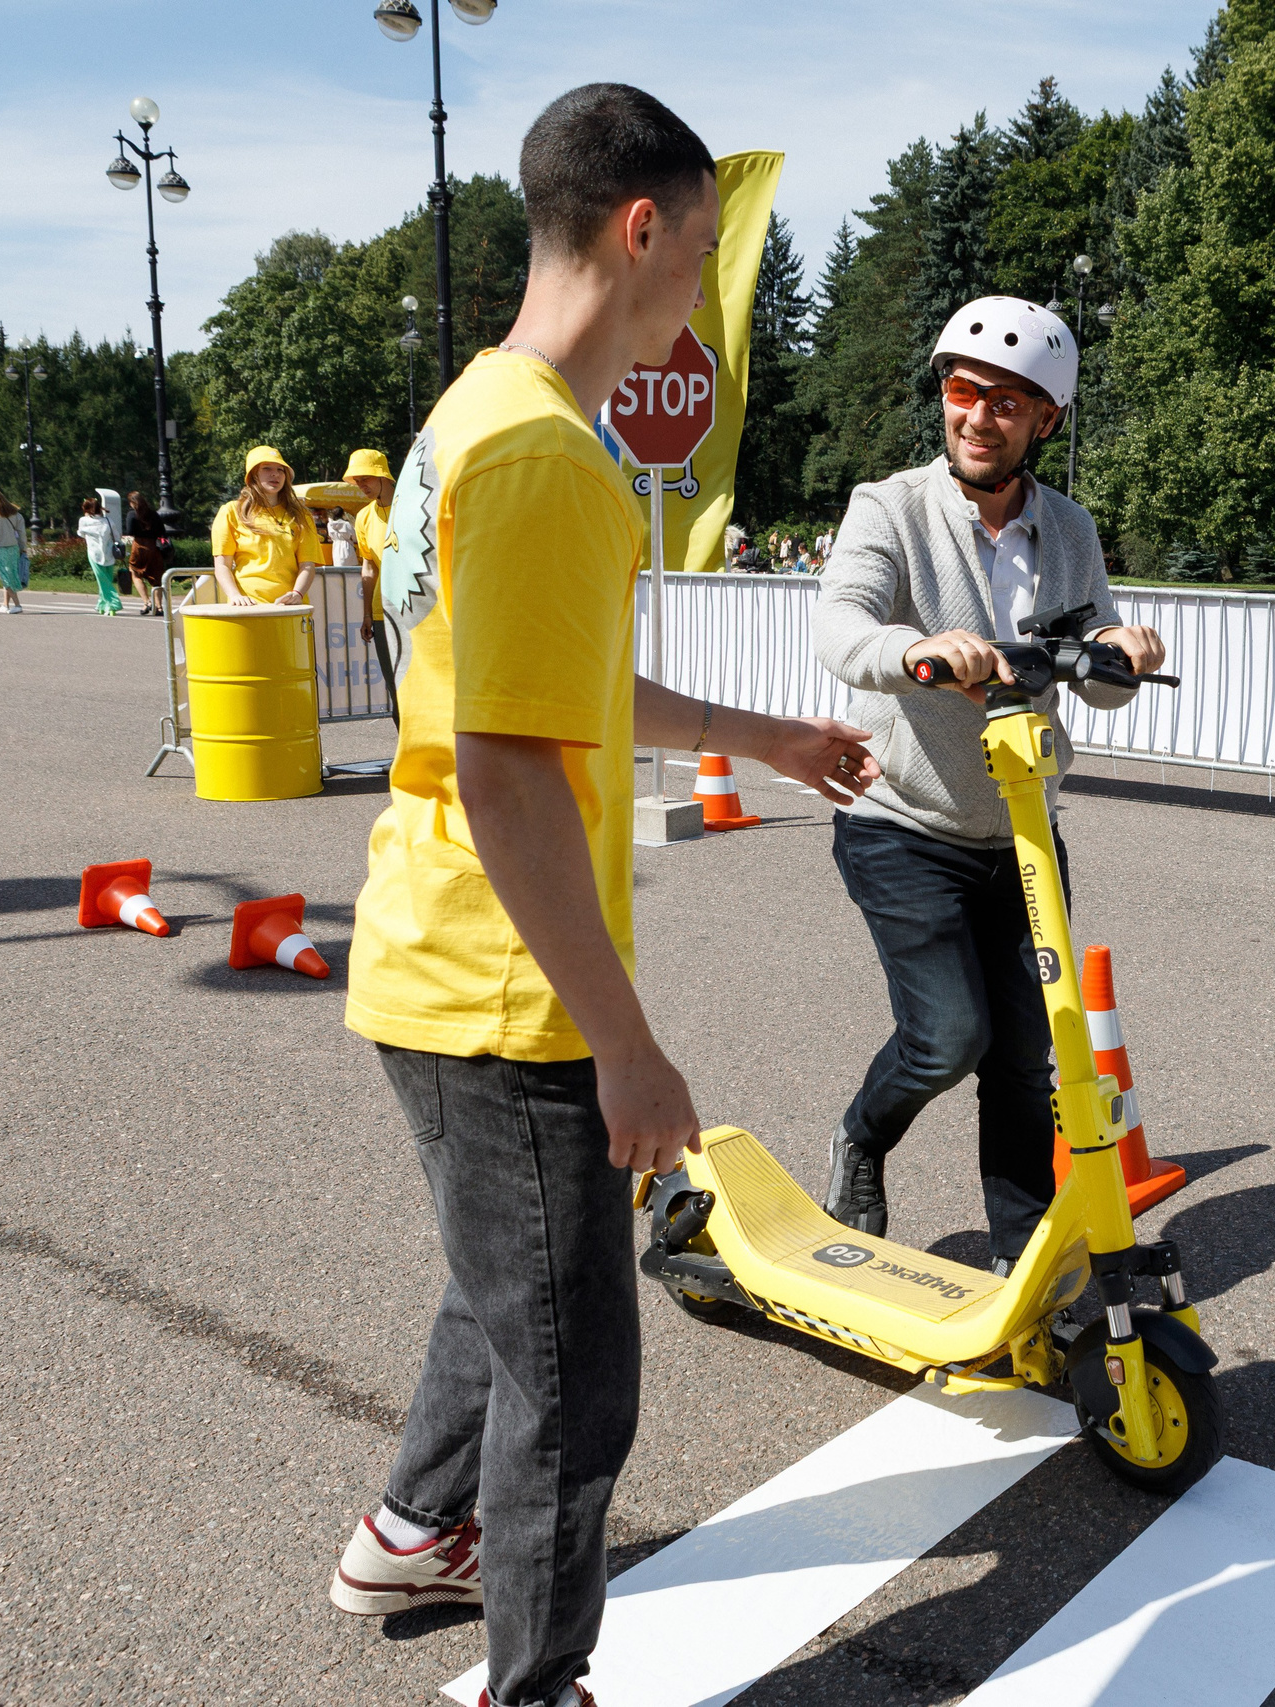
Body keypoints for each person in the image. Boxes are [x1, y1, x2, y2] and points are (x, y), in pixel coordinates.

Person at [327, 84, 879, 1707]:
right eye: (702, 255)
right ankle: (538, 1682)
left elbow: (562, 682)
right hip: (509, 986)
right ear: (642, 230)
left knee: (507, 1280)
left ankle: (411, 1527)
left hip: (429, 956)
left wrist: (755, 733)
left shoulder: (466, 421)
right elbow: (508, 769)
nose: (703, 297)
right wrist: (629, 1045)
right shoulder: (551, 459)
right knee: (575, 1378)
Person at [811, 295, 1167, 1270]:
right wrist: (917, 648)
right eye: (963, 391)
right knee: (948, 1035)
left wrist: (1121, 652)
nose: (976, 415)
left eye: (1007, 402)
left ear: (1046, 420)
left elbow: (1096, 682)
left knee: (1025, 1055)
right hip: (903, 821)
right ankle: (861, 1138)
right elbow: (840, 624)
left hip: (1017, 832)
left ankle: (1021, 1253)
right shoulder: (890, 507)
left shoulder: (1069, 531)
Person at [211, 448, 325, 606]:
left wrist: (297, 593)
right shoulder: (230, 511)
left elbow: (307, 565)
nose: (275, 474)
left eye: (280, 470)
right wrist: (235, 596)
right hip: (248, 607)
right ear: (253, 475)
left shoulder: (302, 516)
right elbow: (222, 565)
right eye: (267, 468)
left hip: (290, 608)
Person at [124, 491, 168, 615]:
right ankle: (159, 607)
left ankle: (146, 602)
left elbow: (130, 530)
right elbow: (162, 531)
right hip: (153, 547)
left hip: (138, 546)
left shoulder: (132, 515)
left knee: (135, 572)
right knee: (156, 577)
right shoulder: (154, 514)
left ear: (133, 503)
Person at [79, 494, 122, 614]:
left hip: (94, 554)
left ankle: (113, 604)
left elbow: (81, 533)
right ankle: (102, 604)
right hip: (109, 554)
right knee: (106, 579)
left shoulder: (83, 521)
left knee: (102, 580)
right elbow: (117, 537)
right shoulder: (108, 520)